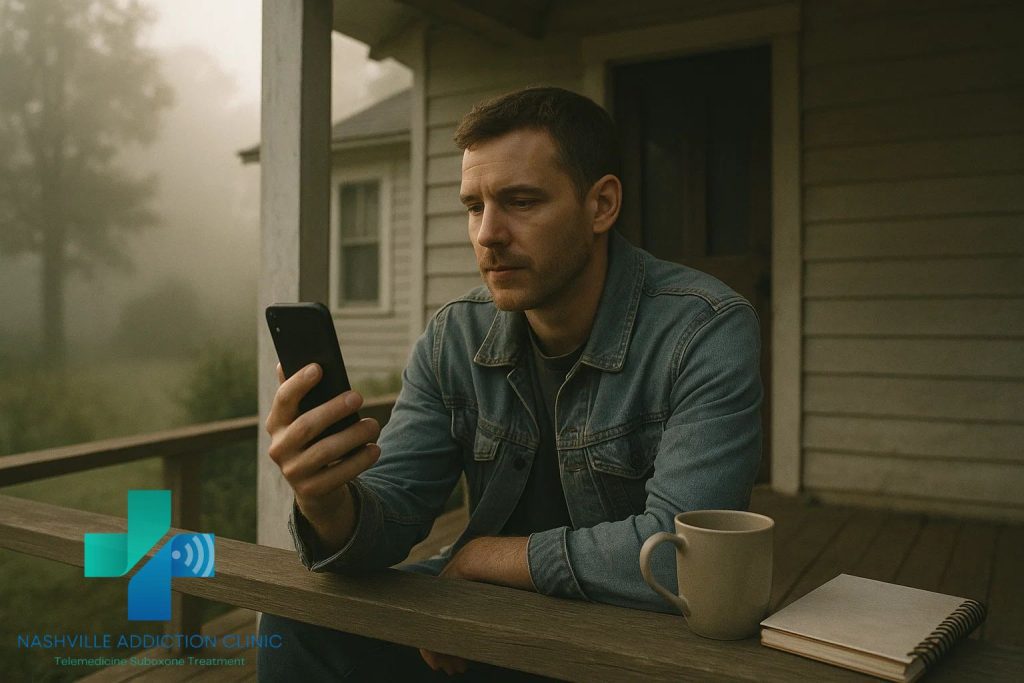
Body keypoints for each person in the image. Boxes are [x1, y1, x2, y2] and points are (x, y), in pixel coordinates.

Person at [258, 86, 763, 681]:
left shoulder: (704, 328)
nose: (487, 234)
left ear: (601, 205)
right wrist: (325, 500)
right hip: (485, 614)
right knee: (296, 622)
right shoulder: (455, 335)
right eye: (474, 206)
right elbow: (390, 516)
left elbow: (687, 558)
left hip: (628, 633)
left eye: (520, 202)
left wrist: (485, 556)